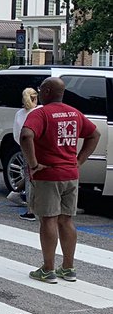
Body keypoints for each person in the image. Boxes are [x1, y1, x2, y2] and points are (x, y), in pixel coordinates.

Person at [19, 77, 100, 284]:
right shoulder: (74, 113)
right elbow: (94, 134)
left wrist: (33, 164)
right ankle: (68, 267)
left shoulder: (42, 113)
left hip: (48, 175)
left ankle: (48, 269)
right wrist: (79, 161)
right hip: (70, 175)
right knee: (66, 220)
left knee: (48, 219)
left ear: (46, 92)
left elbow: (26, 136)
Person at [12, 86, 39, 220]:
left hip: (26, 150)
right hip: (43, 149)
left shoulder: (19, 114)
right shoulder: (41, 111)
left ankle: (30, 209)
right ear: (35, 98)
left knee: (30, 179)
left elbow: (17, 135)